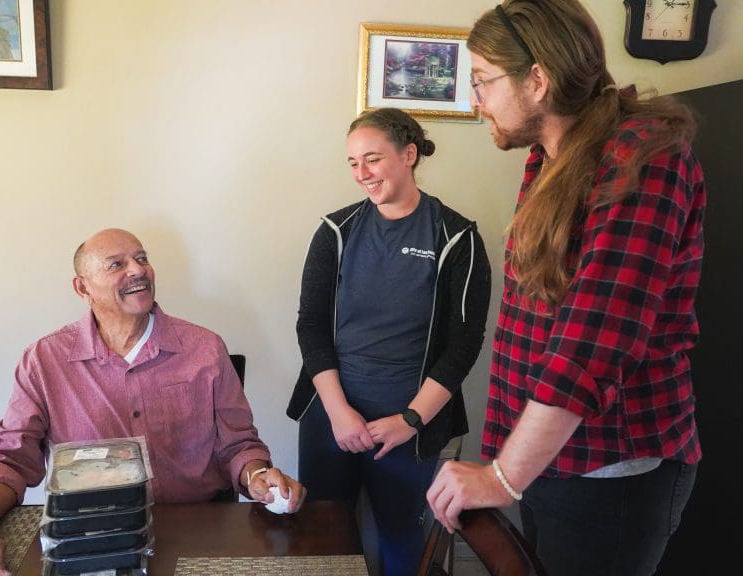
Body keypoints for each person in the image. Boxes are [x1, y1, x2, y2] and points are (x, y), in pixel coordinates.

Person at [426, 2, 706, 575]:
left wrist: (503, 476)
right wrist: (509, 462)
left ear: (537, 79)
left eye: (481, 80)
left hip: (609, 470)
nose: (474, 99)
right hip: (546, 459)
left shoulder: (641, 157)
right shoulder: (549, 156)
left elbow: (591, 343)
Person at [0, 228, 305, 576]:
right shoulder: (44, 360)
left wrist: (258, 476)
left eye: (141, 259)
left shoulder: (205, 349)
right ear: (83, 287)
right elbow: (8, 456)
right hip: (88, 537)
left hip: (196, 528)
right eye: (117, 264)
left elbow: (239, 444)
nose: (137, 271)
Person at [287, 107, 492, 576]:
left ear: (409, 155)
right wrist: (339, 413)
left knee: (403, 536)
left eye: (373, 159)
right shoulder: (336, 232)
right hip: (330, 418)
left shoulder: (456, 237)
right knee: (325, 537)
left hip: (409, 425)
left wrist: (411, 420)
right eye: (353, 163)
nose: (362, 174)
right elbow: (310, 325)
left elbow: (464, 344)